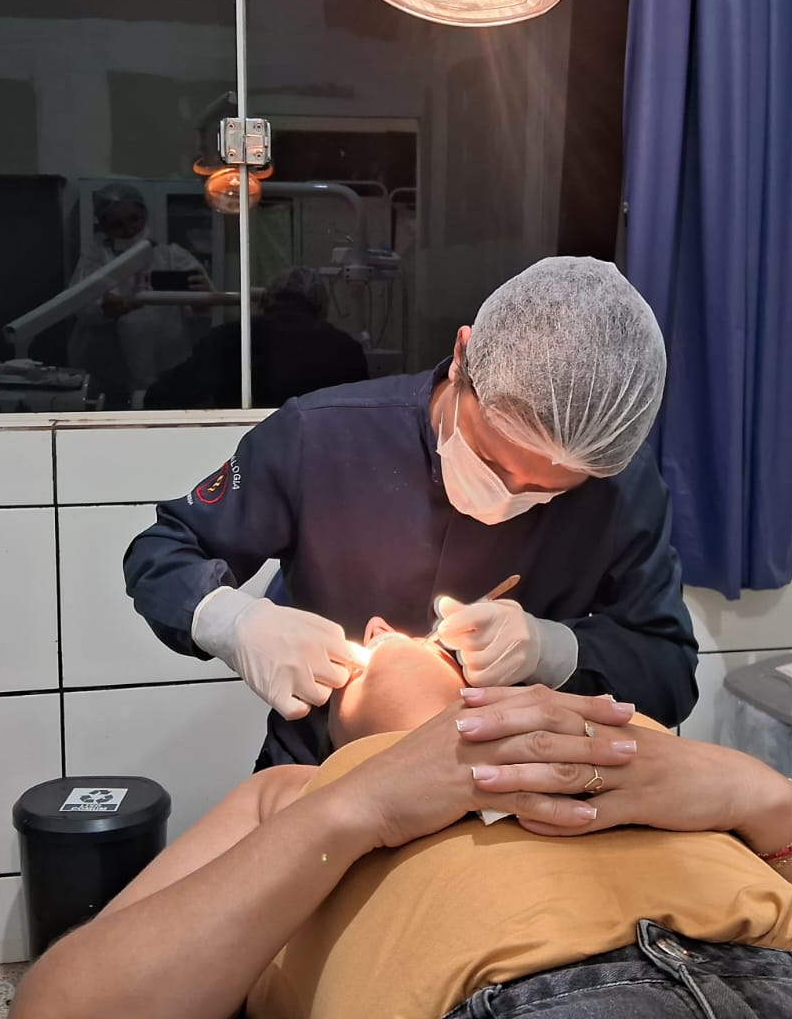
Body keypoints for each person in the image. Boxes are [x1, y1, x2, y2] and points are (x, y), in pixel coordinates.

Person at [10, 623, 792, 1019]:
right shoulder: (299, 795)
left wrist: (762, 797)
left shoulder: (632, 741)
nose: (387, 633)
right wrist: (358, 805)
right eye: (373, 643)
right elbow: (60, 1009)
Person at [124, 256, 696, 768]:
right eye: (493, 461)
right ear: (462, 357)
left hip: (516, 781)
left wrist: (557, 651)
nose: (510, 495)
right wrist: (231, 622)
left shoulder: (620, 487)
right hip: (323, 771)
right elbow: (162, 552)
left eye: (549, 491)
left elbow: (668, 669)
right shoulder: (320, 439)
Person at [67, 181, 213, 407]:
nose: (128, 230)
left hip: (168, 369)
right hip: (111, 372)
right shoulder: (95, 261)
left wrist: (202, 297)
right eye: (117, 225)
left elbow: (204, 306)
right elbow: (81, 306)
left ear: (145, 215)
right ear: (103, 227)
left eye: (134, 219)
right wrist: (111, 307)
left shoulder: (172, 256)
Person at [143, 266, 369, 410]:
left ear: (265, 299)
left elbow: (164, 397)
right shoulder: (346, 351)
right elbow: (359, 416)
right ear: (321, 307)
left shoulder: (231, 338)